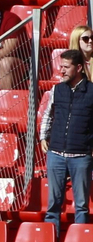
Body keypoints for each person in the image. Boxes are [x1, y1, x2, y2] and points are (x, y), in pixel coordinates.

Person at [40, 48, 93, 228]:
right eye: (61, 66)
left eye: (66, 67)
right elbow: (48, 115)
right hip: (55, 154)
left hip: (81, 156)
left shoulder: (92, 91)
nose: (61, 70)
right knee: (52, 206)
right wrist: (43, 137)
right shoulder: (57, 89)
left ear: (78, 68)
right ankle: (50, 240)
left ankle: (80, 240)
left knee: (82, 206)